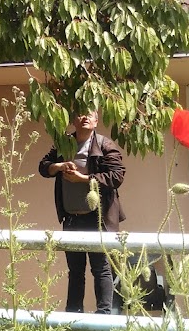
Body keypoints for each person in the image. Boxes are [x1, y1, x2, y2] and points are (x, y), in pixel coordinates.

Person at [39, 111, 126, 314]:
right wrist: (59, 166)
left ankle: (103, 315)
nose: (84, 118)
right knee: (75, 271)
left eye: (90, 115)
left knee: (101, 268)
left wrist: (84, 179)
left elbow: (116, 176)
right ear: (73, 120)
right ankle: (73, 315)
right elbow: (43, 167)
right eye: (80, 114)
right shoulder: (63, 143)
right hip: (71, 218)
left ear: (96, 121)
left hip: (98, 218)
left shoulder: (105, 145)